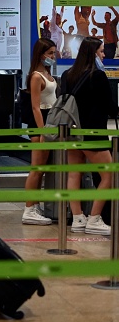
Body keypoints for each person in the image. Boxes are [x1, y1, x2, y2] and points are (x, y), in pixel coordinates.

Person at [63, 37, 118, 235]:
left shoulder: (67, 74)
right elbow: (109, 106)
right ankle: (94, 218)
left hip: (72, 131)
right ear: (94, 53)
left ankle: (77, 218)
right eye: (102, 52)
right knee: (109, 175)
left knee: (74, 173)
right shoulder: (98, 76)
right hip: (94, 131)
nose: (104, 55)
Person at [21, 38, 57, 225]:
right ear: (41, 54)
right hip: (40, 124)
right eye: (50, 53)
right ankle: (28, 209)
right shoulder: (36, 76)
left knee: (41, 169)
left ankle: (34, 205)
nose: (53, 56)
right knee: (36, 168)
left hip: (49, 122)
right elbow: (35, 107)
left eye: (54, 52)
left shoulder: (48, 74)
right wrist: (42, 132)